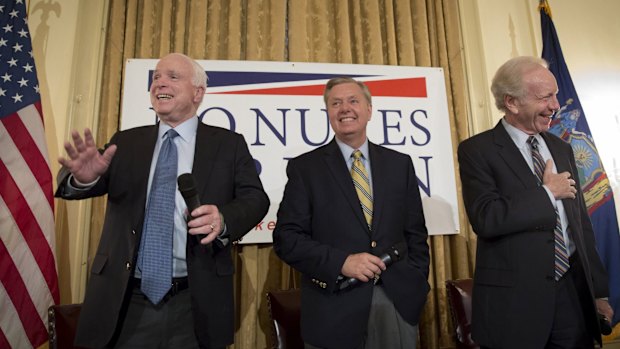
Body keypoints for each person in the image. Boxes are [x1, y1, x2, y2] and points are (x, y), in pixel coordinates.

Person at [56, 53, 269, 348]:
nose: (160, 83)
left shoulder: (228, 145)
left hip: (195, 302)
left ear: (198, 92)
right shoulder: (127, 142)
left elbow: (256, 199)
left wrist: (223, 220)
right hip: (126, 301)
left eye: (172, 76)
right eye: (156, 77)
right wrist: (85, 178)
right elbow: (83, 183)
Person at [457, 56, 613, 349]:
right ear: (512, 102)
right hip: (515, 303)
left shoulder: (562, 148)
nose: (555, 105)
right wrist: (546, 193)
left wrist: (599, 292)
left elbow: (579, 224)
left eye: (555, 94)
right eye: (546, 97)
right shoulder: (477, 150)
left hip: (572, 296)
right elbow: (486, 217)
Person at [273, 77, 430, 349]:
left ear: (369, 110)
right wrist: (341, 262)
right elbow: (287, 239)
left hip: (396, 303)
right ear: (328, 112)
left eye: (353, 101)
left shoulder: (399, 164)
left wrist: (415, 281)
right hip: (333, 309)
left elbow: (415, 233)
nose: (345, 108)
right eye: (336, 103)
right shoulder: (305, 169)